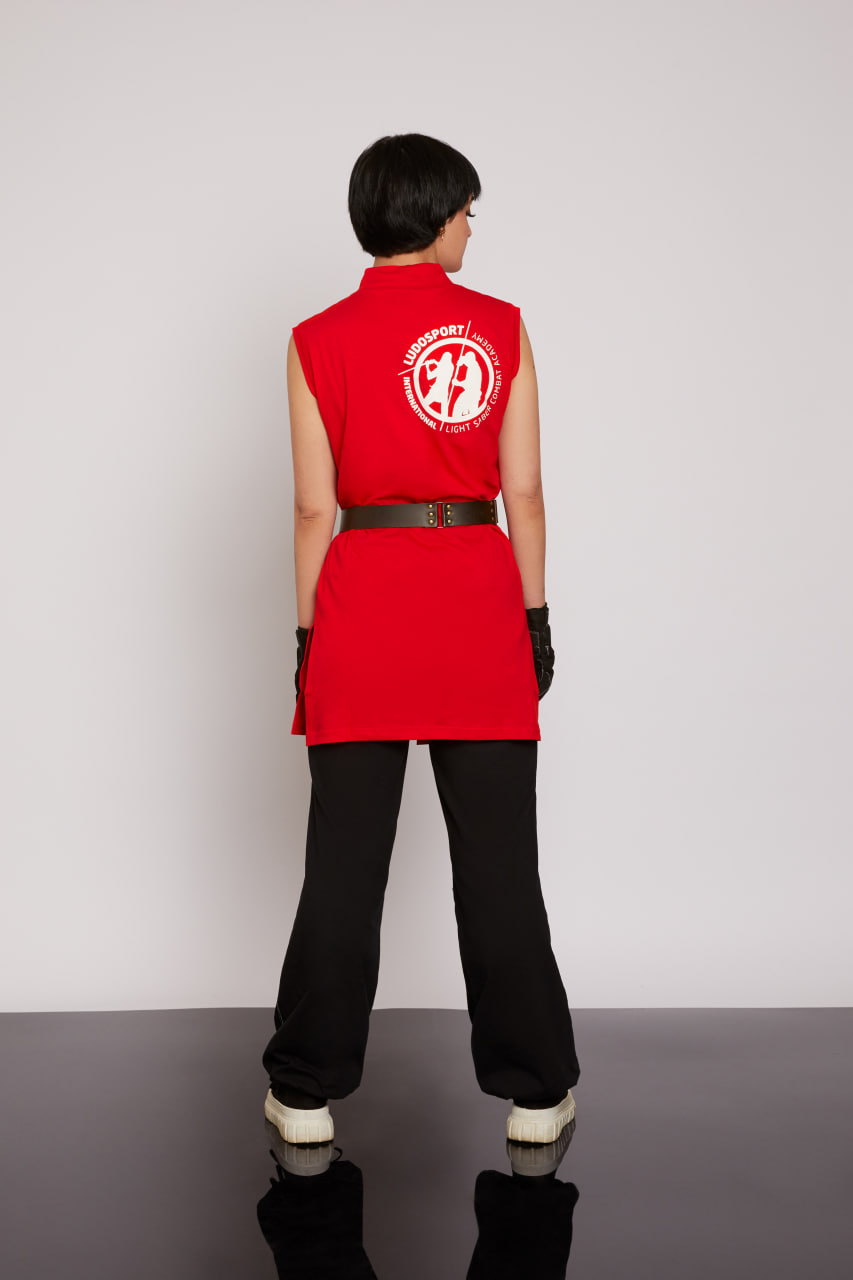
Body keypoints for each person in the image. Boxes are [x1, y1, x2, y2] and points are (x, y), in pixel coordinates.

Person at [262, 133, 580, 1147]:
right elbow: (523, 492)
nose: (470, 229)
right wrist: (534, 619)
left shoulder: (314, 339)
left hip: (362, 607)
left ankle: (303, 1093)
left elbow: (313, 510)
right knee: (499, 867)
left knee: (342, 868)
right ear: (437, 215)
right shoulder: (500, 327)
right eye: (467, 213)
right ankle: (536, 1093)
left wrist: (308, 640)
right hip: (476, 606)